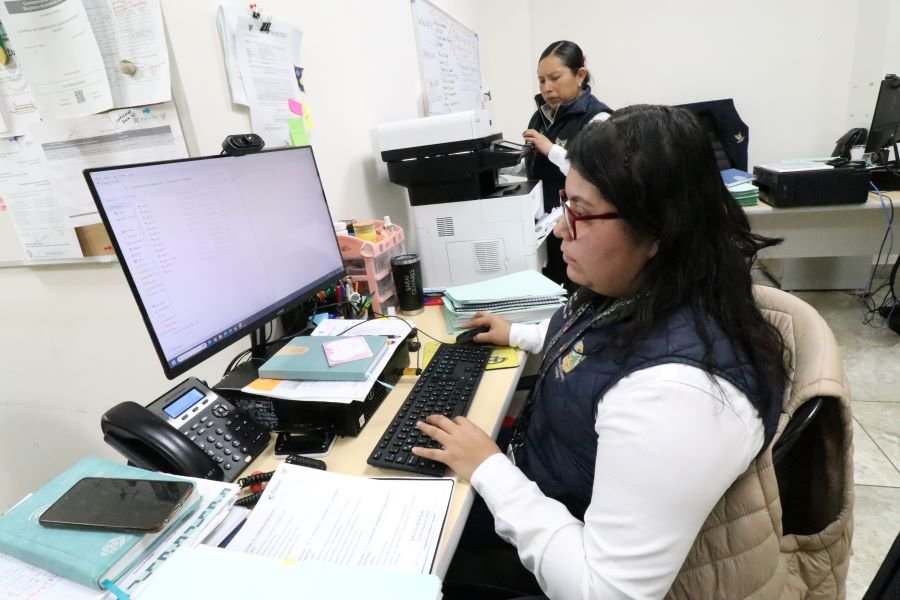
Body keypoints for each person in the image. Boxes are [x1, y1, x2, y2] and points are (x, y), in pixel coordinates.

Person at [412, 105, 790, 599]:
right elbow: (596, 346)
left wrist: (488, 468)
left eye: (581, 212)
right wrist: (518, 334)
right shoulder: (652, 287)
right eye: (564, 204)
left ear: (658, 229)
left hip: (557, 551)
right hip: (546, 483)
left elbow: (606, 591)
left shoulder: (677, 397)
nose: (560, 229)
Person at [523, 40, 612, 291]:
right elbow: (536, 164)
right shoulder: (541, 116)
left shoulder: (598, 118)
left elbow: (594, 175)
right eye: (541, 80)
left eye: (554, 78)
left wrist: (550, 148)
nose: (547, 88)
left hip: (579, 227)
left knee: (579, 291)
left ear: (580, 75)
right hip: (545, 227)